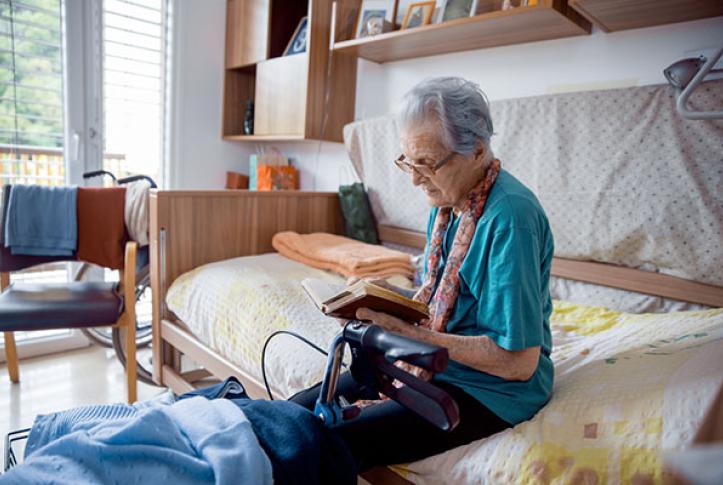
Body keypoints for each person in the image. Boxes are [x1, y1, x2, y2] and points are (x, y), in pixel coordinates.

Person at [290, 77, 555, 472]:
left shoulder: (510, 218)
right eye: (407, 162)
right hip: (433, 363)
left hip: (491, 390)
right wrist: (387, 299)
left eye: (426, 164)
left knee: (321, 442)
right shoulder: (446, 203)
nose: (414, 179)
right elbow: (445, 294)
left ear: (477, 151)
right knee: (295, 412)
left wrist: (411, 334)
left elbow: (518, 363)